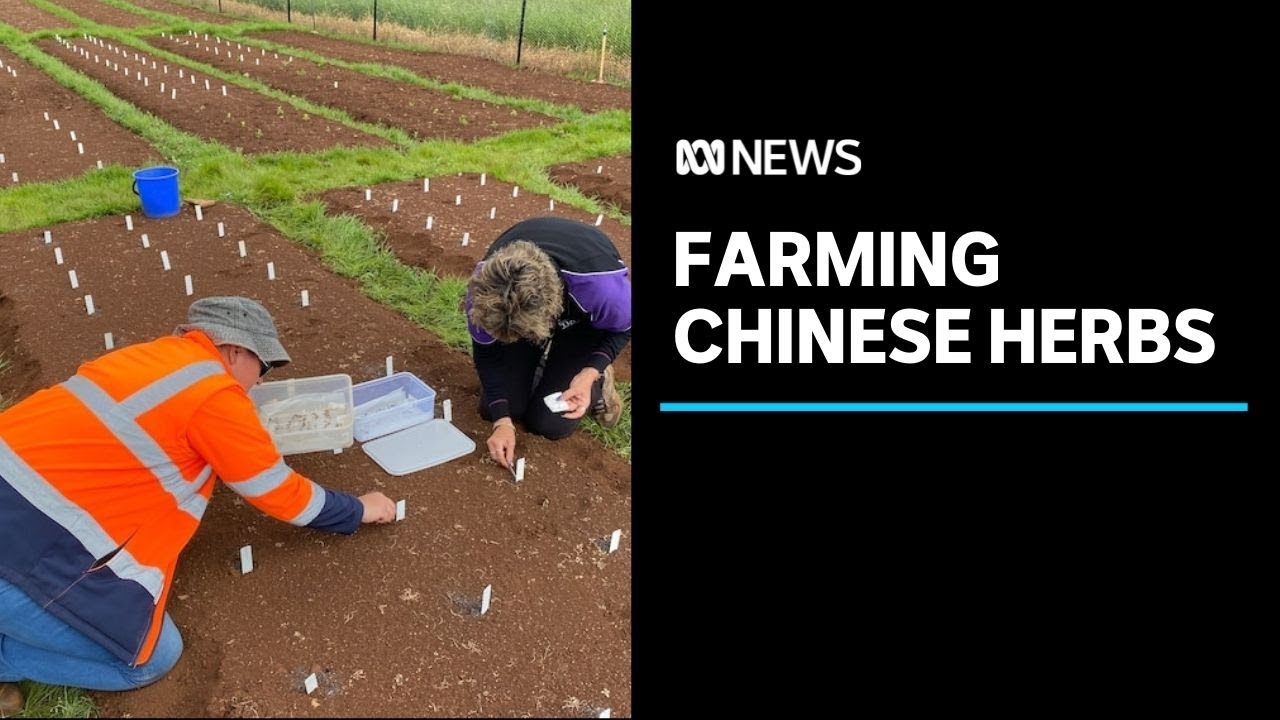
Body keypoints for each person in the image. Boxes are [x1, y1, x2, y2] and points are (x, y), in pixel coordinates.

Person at [0, 296, 396, 710]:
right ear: (234, 350)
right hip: (18, 551)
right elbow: (280, 493)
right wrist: (359, 508)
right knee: (150, 659)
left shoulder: (148, 355)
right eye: (264, 367)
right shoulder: (215, 394)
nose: (261, 381)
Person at [466, 216, 631, 468]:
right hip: (528, 312)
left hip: (581, 318)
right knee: (497, 408)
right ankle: (540, 371)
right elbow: (486, 354)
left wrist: (589, 372)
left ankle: (600, 379)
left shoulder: (603, 292)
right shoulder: (486, 293)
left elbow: (623, 329)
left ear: (551, 314)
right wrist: (502, 421)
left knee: (550, 423)